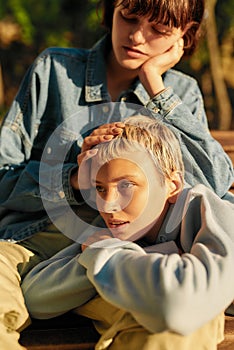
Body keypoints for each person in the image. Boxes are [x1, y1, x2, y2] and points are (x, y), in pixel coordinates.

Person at [0, 0, 233, 348]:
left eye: (160, 29)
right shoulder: (54, 70)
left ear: (184, 36)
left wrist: (155, 85)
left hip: (128, 251)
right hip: (32, 240)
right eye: (129, 16)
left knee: (177, 327)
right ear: (111, 10)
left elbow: (212, 182)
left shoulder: (180, 91)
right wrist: (76, 178)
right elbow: (3, 179)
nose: (137, 36)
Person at [22, 115, 234, 350]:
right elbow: (36, 296)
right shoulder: (121, 230)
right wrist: (107, 250)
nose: (108, 205)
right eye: (100, 188)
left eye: (126, 185)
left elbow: (179, 307)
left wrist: (108, 260)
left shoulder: (208, 211)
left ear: (172, 185)